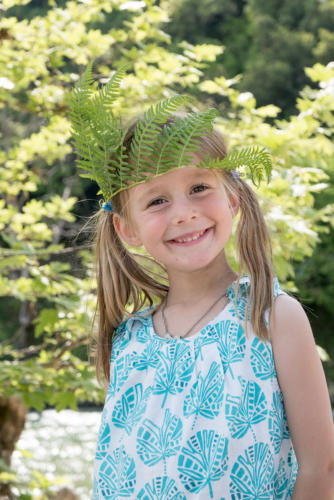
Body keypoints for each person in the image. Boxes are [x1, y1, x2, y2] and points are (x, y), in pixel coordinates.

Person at [70, 66, 334, 499]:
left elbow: (320, 468)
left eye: (198, 187)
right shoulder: (130, 340)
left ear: (231, 196)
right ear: (127, 229)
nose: (184, 213)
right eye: (157, 200)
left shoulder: (271, 317)